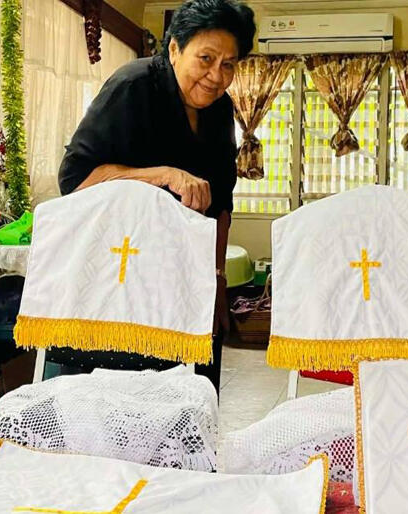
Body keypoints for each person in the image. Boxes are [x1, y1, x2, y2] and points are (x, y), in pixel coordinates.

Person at [55, 0, 255, 393]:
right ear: (175, 48)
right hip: (119, 279)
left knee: (189, 399)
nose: (216, 76)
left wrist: (216, 279)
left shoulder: (220, 111)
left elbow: (221, 204)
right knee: (116, 401)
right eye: (206, 59)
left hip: (184, 281)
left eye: (228, 65)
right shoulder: (132, 87)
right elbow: (76, 182)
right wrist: (163, 176)